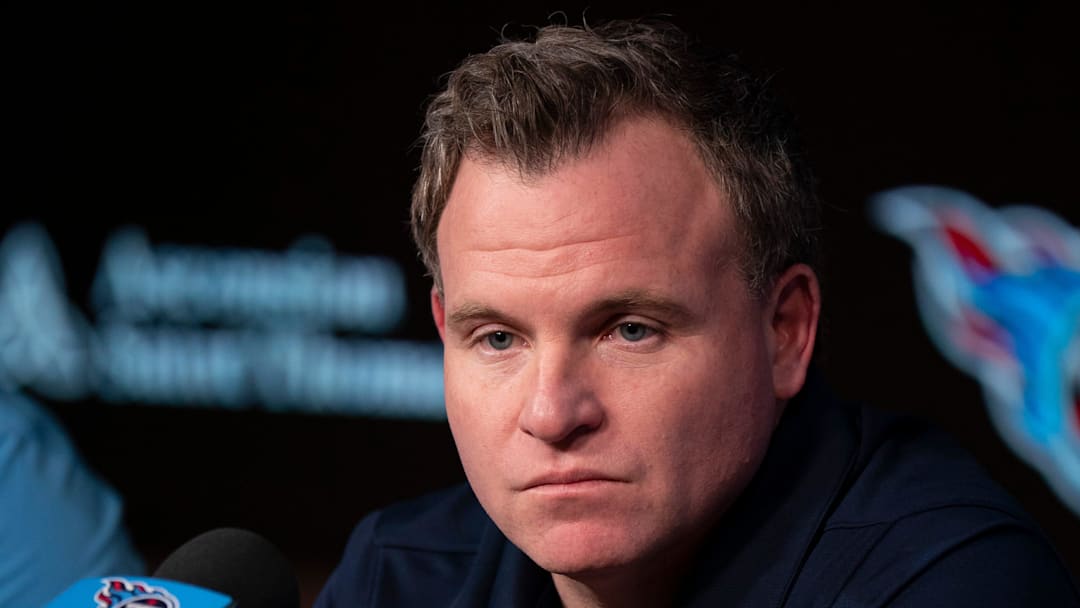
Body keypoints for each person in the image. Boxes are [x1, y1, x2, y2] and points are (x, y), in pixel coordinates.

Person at [316, 20, 1079, 607]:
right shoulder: (401, 575)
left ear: (785, 331)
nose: (551, 414)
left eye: (629, 330)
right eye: (497, 338)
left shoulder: (948, 581)